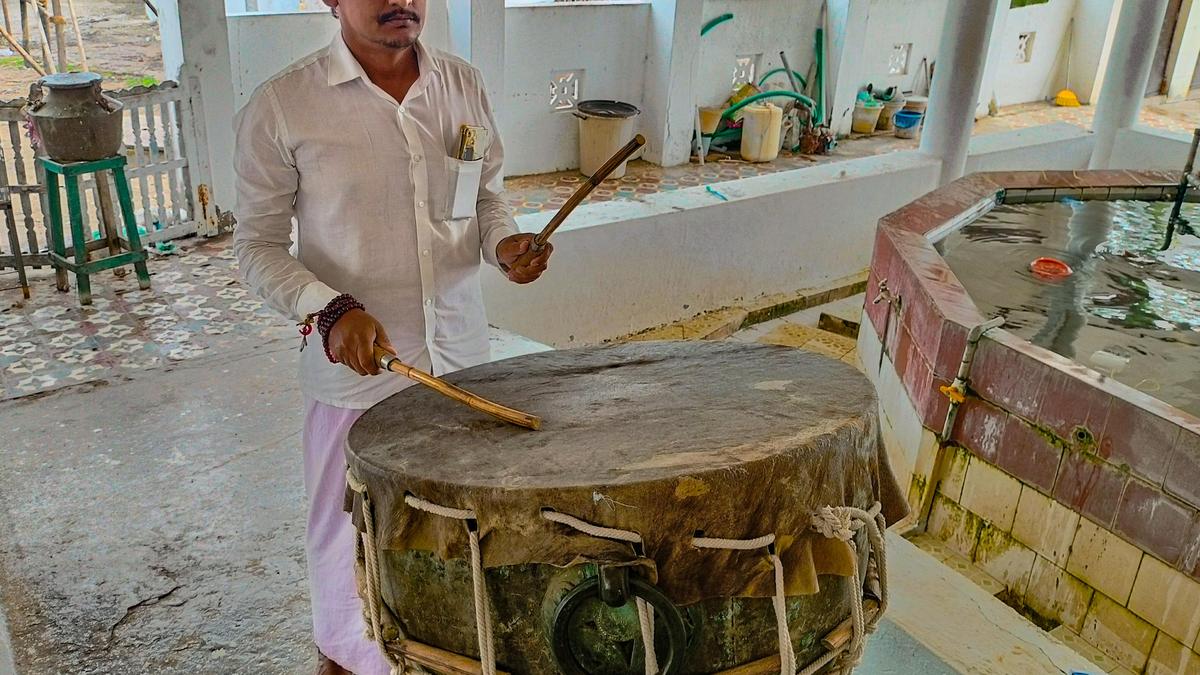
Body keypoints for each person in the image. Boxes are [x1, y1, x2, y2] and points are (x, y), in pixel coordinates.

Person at [232, 1, 552, 672]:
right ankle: (349, 658)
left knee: (460, 538)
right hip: (355, 382)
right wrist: (329, 309)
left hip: (460, 367)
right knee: (349, 548)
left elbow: (486, 199)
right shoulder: (285, 105)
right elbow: (256, 248)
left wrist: (505, 245)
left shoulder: (461, 86)